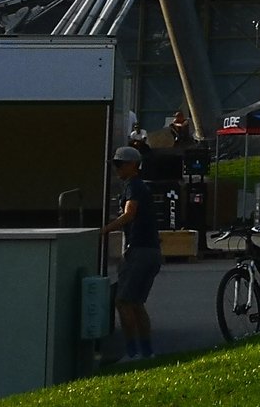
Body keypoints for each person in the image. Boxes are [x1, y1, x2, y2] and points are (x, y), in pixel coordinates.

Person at [102, 147, 161, 360]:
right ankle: (146, 351)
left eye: (120, 164)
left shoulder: (133, 186)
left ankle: (132, 352)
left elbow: (129, 214)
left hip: (138, 251)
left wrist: (105, 230)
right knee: (136, 303)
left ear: (132, 165)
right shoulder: (140, 186)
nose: (116, 168)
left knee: (123, 301)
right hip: (152, 250)